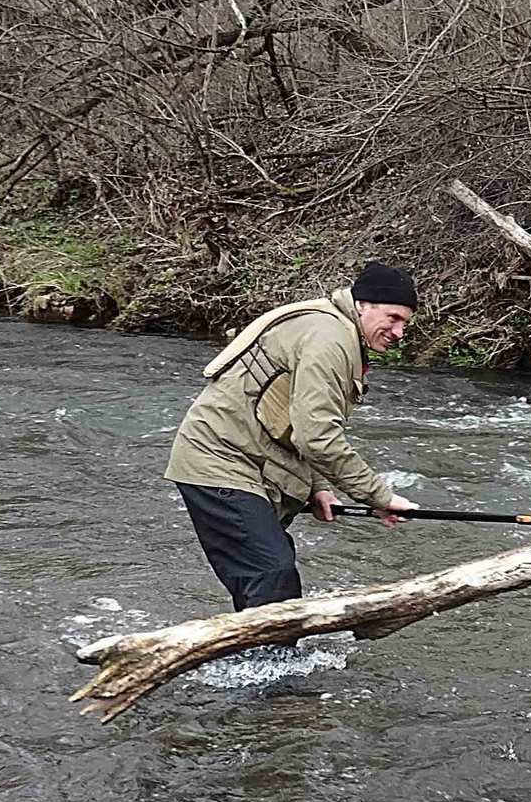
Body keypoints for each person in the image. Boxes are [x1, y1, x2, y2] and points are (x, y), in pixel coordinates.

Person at [167, 261, 422, 611]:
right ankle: (261, 662)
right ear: (363, 304)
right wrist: (377, 496)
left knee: (273, 572)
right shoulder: (329, 339)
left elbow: (296, 422)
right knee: (271, 575)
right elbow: (316, 436)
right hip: (218, 462)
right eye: (393, 318)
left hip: (241, 463)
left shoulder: (334, 330)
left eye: (405, 323)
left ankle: (255, 657)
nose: (399, 332)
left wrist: (318, 488)